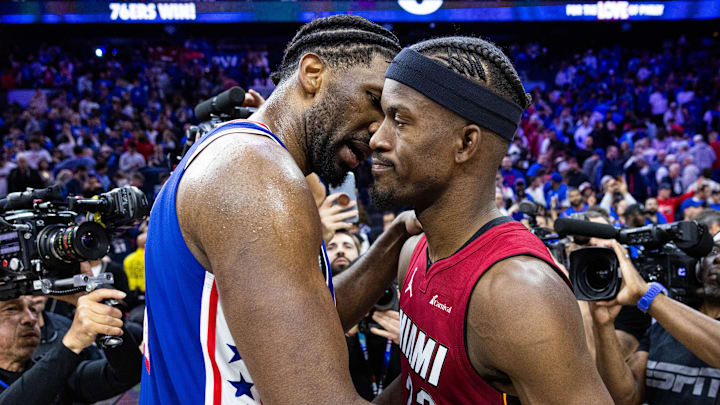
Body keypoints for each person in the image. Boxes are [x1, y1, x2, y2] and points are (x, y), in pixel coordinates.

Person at [141, 15, 421, 405]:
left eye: (394, 119)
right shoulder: (257, 174)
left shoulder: (234, 155)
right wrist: (432, 382)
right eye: (375, 101)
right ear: (312, 73)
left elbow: (301, 323)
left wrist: (397, 237)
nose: (380, 134)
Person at [369, 37, 612, 403]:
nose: (377, 139)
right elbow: (417, 383)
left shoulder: (520, 294)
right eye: (383, 117)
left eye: (400, 121)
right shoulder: (414, 252)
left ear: (466, 144)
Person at [588, 209, 720, 404]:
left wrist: (647, 296)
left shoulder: (661, 309)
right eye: (714, 251)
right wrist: (603, 323)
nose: (717, 258)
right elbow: (624, 397)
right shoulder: (664, 326)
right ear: (698, 266)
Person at [0, 290, 141, 405]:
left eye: (33, 309)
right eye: (11, 309)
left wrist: (97, 308)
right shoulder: (54, 368)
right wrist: (72, 343)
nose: (31, 318)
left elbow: (127, 373)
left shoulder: (61, 374)